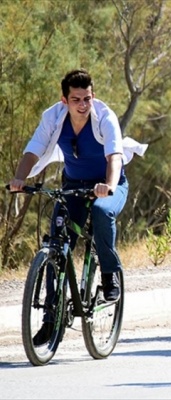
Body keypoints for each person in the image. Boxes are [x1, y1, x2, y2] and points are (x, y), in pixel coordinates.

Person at [8, 69, 147, 345]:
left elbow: (115, 156)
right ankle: (51, 320)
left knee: (102, 211)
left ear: (92, 96)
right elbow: (34, 148)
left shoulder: (105, 116)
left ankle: (109, 275)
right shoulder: (53, 117)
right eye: (76, 99)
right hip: (73, 184)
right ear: (64, 100)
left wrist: (107, 185)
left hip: (110, 182)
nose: (83, 105)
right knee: (57, 244)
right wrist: (19, 179)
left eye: (87, 98)